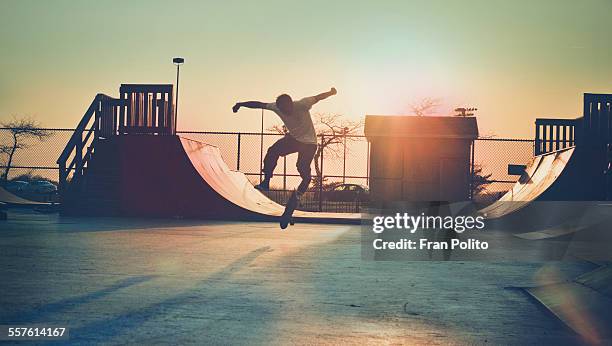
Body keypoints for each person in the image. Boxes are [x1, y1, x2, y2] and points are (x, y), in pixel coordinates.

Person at [232, 87, 337, 198]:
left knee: (301, 167)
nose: (285, 112)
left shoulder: (303, 104)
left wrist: (331, 93)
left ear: (291, 103)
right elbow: (259, 104)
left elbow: (318, 97)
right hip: (294, 140)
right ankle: (266, 182)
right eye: (282, 110)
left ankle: (300, 191)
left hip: (309, 143)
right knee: (272, 151)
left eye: (286, 109)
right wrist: (241, 104)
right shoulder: (276, 107)